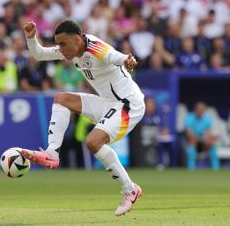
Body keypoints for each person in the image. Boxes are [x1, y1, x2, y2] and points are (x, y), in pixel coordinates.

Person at [21, 20, 145, 216]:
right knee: (61, 99)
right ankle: (52, 154)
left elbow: (113, 55)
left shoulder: (95, 46)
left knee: (93, 142)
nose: (60, 49)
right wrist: (30, 37)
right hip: (107, 102)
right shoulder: (72, 50)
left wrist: (127, 60)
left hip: (128, 104)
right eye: (58, 44)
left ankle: (130, 190)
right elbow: (39, 53)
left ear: (77, 40)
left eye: (63, 44)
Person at [184, 101, 220, 170]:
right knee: (192, 141)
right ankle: (191, 168)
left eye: (202, 109)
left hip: (203, 142)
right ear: (195, 109)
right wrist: (200, 139)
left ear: (204, 110)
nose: (200, 110)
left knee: (211, 143)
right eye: (198, 109)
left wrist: (209, 138)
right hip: (193, 142)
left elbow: (209, 132)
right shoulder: (189, 117)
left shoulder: (207, 119)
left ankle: (216, 168)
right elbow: (189, 134)